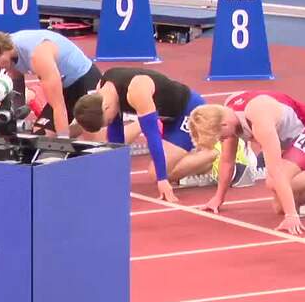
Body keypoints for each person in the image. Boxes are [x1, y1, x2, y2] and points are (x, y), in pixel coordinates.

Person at [188, 90, 305, 235]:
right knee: (280, 208)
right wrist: (218, 198)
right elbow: (227, 161)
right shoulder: (226, 114)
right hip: (291, 142)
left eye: (221, 137)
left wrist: (292, 216)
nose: (222, 140)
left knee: (273, 181)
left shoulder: (259, 118)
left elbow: (276, 172)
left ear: (224, 125)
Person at [73, 67, 215, 202]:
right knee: (163, 167)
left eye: (108, 120)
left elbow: (153, 137)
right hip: (165, 118)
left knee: (157, 173)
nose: (110, 121)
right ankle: (200, 158)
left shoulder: (137, 90)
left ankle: (216, 154)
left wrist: (162, 180)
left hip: (189, 111)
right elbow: (116, 139)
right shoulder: (103, 91)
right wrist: (115, 176)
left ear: (106, 107)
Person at [0, 28, 100, 136]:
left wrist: (62, 143)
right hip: (66, 87)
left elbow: (58, 106)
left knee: (91, 130)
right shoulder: (9, 55)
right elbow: (17, 91)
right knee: (41, 135)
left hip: (86, 79)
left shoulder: (38, 55)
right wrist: (8, 117)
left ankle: (82, 128)